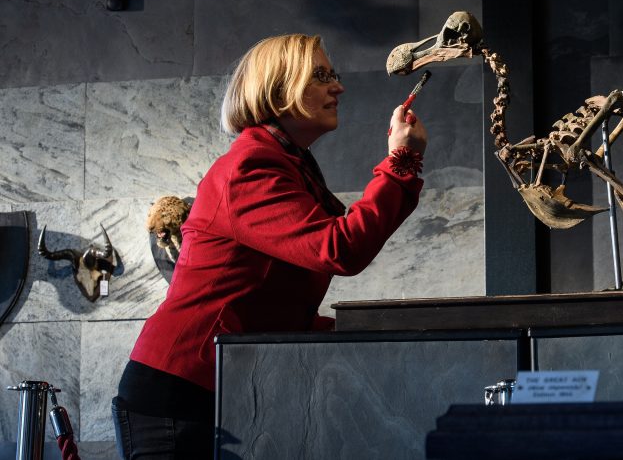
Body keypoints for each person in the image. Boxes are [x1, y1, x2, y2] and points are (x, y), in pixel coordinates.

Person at [111, 33, 427, 459]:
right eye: (321, 76)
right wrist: (401, 161)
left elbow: (270, 296)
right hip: (180, 393)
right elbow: (339, 248)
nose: (338, 87)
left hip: (217, 386)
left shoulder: (288, 165)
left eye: (333, 74)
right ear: (278, 90)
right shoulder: (250, 166)